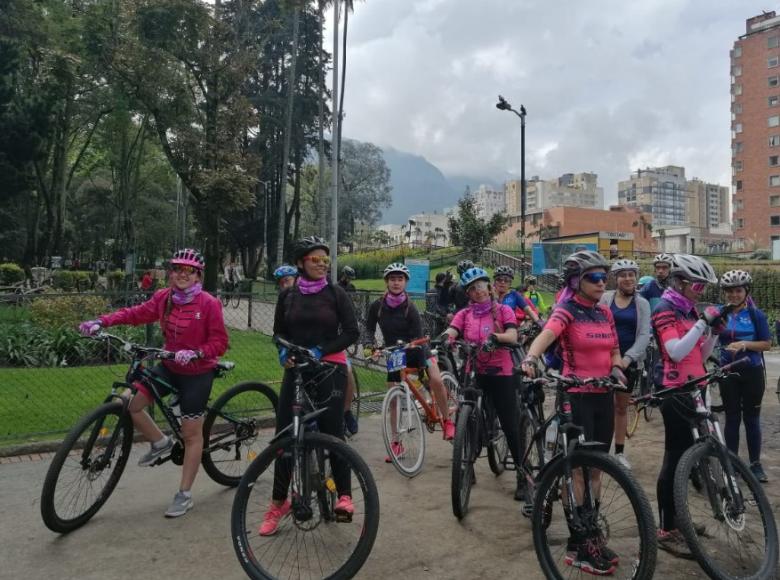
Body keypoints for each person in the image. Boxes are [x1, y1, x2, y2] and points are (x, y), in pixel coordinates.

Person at [78, 248, 229, 518]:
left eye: (189, 271)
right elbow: (136, 313)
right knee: (127, 402)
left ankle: (184, 494)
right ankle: (160, 442)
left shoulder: (208, 303)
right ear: (171, 273)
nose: (182, 275)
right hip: (169, 365)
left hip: (197, 372)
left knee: (192, 434)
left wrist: (196, 353)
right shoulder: (164, 298)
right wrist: (101, 321)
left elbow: (220, 342)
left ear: (198, 276)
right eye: (177, 269)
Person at [522, 250, 624, 575]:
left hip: (603, 395)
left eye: (603, 276)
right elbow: (548, 333)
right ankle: (577, 543)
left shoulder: (605, 313)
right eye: (594, 277)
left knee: (596, 471)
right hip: (575, 396)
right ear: (576, 281)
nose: (601, 281)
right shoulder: (567, 310)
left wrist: (619, 367)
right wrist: (530, 358)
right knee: (578, 471)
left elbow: (614, 349)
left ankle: (591, 532)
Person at [263, 236, 359, 536]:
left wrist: (321, 350)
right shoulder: (288, 296)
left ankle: (344, 496)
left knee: (333, 432)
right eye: (315, 260)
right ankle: (279, 502)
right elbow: (278, 331)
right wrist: (282, 350)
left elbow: (352, 332)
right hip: (297, 369)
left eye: (325, 260)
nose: (321, 265)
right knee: (285, 436)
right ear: (301, 263)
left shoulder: (336, 293)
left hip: (329, 367)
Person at [651, 253, 722, 558]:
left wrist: (714, 333)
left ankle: (680, 522)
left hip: (696, 386)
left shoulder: (688, 310)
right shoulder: (664, 309)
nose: (701, 291)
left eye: (704, 286)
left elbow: (700, 353)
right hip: (675, 392)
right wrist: (702, 322)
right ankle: (667, 529)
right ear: (680, 282)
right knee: (675, 461)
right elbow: (676, 352)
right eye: (697, 286)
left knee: (688, 463)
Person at [443, 267, 526, 502]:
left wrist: (496, 338)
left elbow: (513, 336)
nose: (477, 292)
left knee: (510, 424)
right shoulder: (465, 314)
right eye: (472, 289)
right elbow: (453, 330)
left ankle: (522, 473)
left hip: (502, 373)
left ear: (489, 287)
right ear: (468, 293)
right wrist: (445, 339)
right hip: (475, 371)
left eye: (480, 286)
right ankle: (467, 463)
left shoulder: (503, 310)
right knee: (467, 419)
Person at [366, 263, 456, 449]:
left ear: (406, 282)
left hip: (417, 348)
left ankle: (447, 421)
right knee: (393, 397)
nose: (396, 283)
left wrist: (420, 363)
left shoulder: (411, 307)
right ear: (387, 282)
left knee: (436, 380)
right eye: (392, 279)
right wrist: (370, 346)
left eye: (400, 279)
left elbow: (417, 335)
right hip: (395, 352)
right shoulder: (377, 306)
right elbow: (368, 328)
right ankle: (396, 442)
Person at [717, 270, 771, 483]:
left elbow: (767, 344)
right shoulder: (721, 313)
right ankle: (732, 462)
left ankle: (755, 464)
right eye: (729, 291)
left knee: (751, 419)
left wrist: (744, 344)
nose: (734, 295)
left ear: (746, 291)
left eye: (738, 290)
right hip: (728, 371)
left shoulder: (756, 314)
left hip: (752, 371)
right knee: (731, 418)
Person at [599, 259, 651, 470]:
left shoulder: (642, 304)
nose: (628, 278)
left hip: (628, 362)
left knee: (621, 408)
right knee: (602, 407)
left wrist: (626, 359)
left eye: (631, 274)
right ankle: (600, 452)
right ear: (616, 278)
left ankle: (619, 452)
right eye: (623, 275)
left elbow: (645, 335)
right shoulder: (605, 299)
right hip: (603, 360)